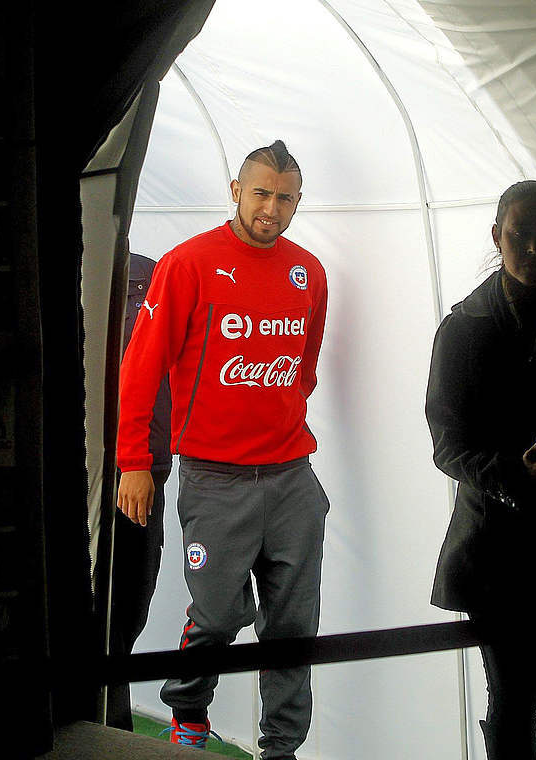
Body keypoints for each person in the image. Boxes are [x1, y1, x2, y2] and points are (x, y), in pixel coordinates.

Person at [115, 140, 329, 760]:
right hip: (215, 478)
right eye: (261, 193)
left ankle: (281, 747)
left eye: (285, 197)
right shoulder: (187, 265)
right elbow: (141, 367)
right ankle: (187, 711)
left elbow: (305, 363)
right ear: (235, 190)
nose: (272, 208)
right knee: (216, 616)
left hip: (291, 475)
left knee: (292, 625)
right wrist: (134, 461)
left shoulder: (308, 271)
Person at [425, 180, 536, 758]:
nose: (532, 248)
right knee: (512, 706)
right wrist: (512, 471)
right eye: (520, 235)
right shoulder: (463, 327)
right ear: (497, 234)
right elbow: (447, 442)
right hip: (499, 553)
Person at [105, 248, 174, 732]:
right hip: (98, 471)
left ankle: (112, 726)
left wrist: (144, 463)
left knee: (127, 610)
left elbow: (160, 376)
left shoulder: (150, 275)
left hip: (139, 474)